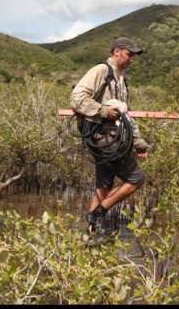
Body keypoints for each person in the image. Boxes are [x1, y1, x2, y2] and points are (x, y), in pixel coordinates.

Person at [70, 37, 151, 237]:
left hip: (113, 139)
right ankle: (99, 213)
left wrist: (138, 142)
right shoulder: (101, 71)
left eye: (134, 56)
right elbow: (77, 98)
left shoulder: (121, 79)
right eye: (129, 54)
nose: (132, 59)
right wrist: (104, 111)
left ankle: (87, 232)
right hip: (103, 139)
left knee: (103, 186)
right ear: (117, 52)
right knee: (136, 178)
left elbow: (126, 116)